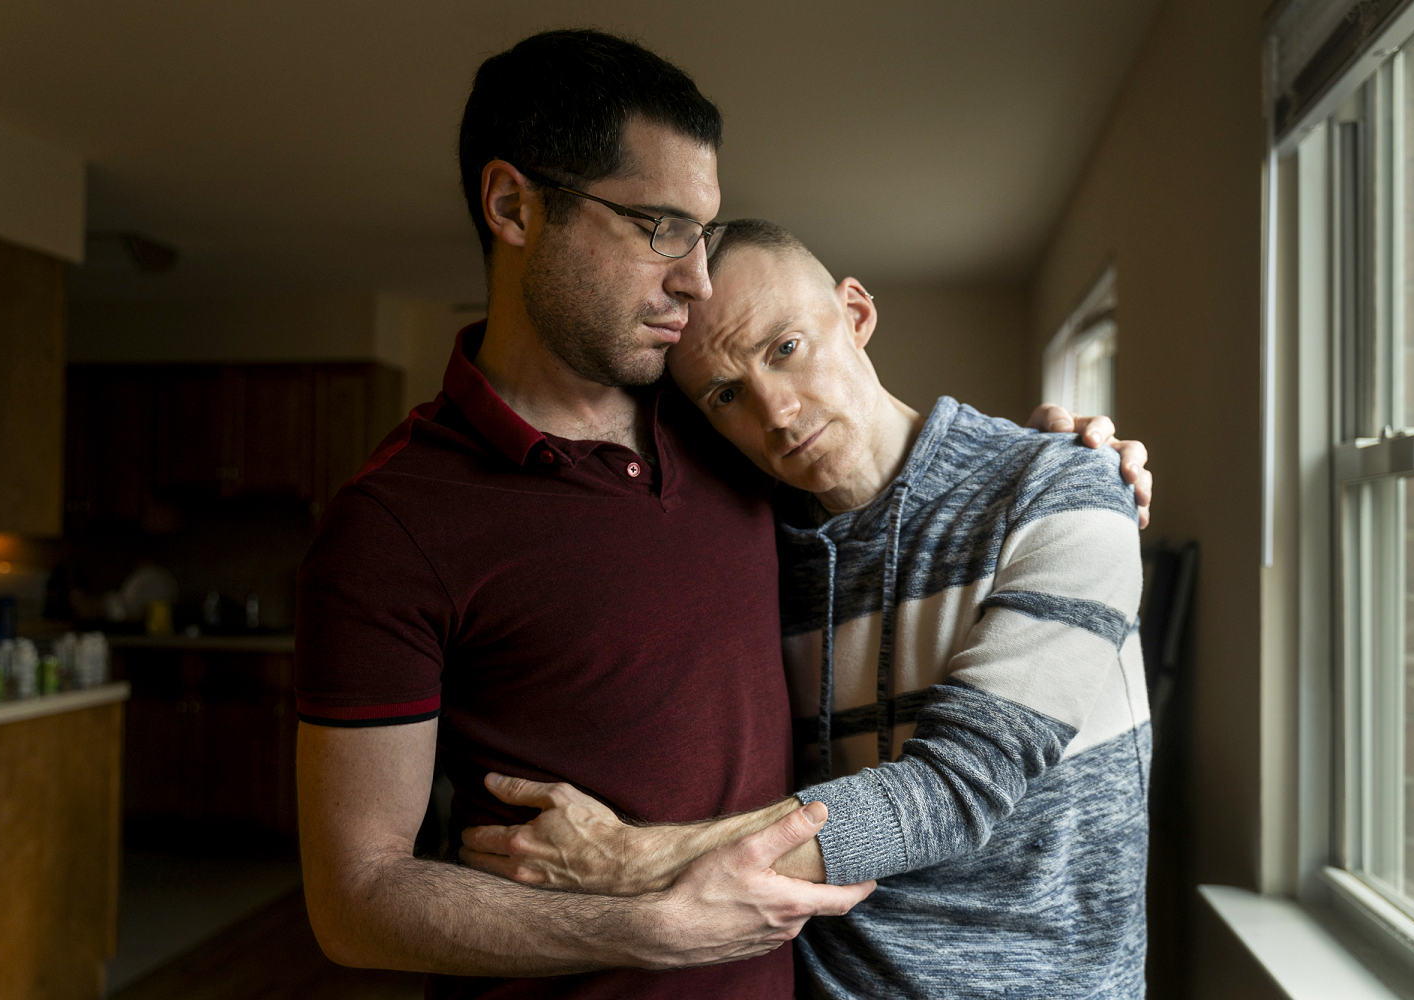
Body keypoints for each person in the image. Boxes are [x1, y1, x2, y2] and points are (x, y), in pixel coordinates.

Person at [296, 28, 1149, 1000]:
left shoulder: (725, 442)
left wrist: (1066, 459)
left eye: (701, 235)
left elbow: (952, 768)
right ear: (512, 205)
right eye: (660, 226)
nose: (695, 280)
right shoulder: (396, 520)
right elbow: (353, 901)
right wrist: (642, 927)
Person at [459, 220, 1150, 1000]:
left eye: (784, 348)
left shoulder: (1064, 490)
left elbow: (954, 794)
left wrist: (629, 861)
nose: (778, 414)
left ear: (854, 315)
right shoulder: (759, 546)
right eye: (727, 394)